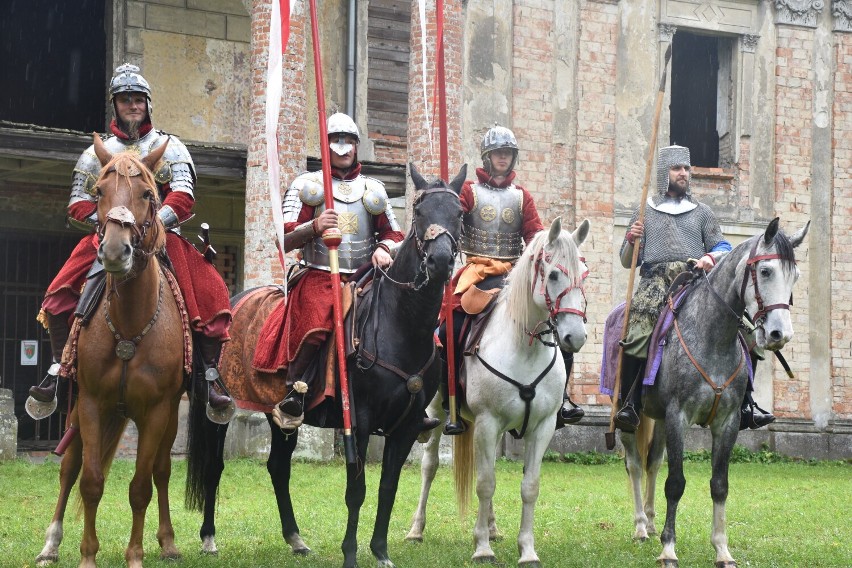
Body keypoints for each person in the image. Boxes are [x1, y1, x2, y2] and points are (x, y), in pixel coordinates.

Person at [29, 63, 233, 410]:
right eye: (125, 100)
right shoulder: (97, 152)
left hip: (161, 236)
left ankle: (207, 375)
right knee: (59, 295)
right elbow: (78, 202)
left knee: (210, 293)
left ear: (148, 103)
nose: (132, 105)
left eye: (138, 99)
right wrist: (111, 222)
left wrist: (150, 226)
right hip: (107, 237)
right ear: (115, 106)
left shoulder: (169, 148)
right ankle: (59, 369)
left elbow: (183, 196)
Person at [269, 112, 434, 430]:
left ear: (357, 146)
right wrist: (314, 226)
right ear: (327, 145)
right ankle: (297, 389)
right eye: (336, 140)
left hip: (367, 275)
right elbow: (284, 237)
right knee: (318, 317)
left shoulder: (374, 190)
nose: (342, 147)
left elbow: (395, 234)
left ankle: (417, 397)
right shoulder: (308, 186)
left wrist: (384, 249)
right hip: (319, 273)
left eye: (348, 141)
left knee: (411, 318)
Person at [613, 144, 775, 432]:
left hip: (694, 280)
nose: (684, 173)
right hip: (655, 282)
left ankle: (747, 403)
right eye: (677, 168)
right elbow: (628, 263)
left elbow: (723, 245)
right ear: (665, 172)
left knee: (747, 334)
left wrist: (710, 257)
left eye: (686, 168)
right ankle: (630, 403)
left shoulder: (702, 213)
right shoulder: (644, 212)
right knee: (636, 331)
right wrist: (630, 239)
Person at [440, 124, 584, 435]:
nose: (502, 158)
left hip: (512, 276)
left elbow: (536, 237)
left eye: (507, 153)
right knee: (447, 327)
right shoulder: (469, 191)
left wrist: (557, 255)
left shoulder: (521, 197)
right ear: (487, 157)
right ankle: (450, 400)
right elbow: (451, 222)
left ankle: (561, 400)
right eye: (497, 153)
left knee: (560, 325)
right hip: (476, 275)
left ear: (513, 158)